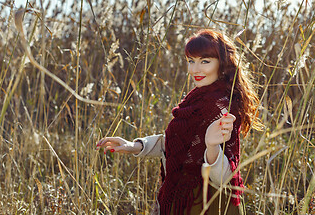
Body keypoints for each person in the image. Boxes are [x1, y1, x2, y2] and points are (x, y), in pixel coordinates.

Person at [96, 29, 262, 214]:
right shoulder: (196, 98)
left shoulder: (223, 105)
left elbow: (225, 178)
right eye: (191, 61)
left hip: (206, 203)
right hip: (182, 197)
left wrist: (211, 146)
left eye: (205, 61)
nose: (194, 69)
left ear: (222, 64)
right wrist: (134, 146)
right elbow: (177, 142)